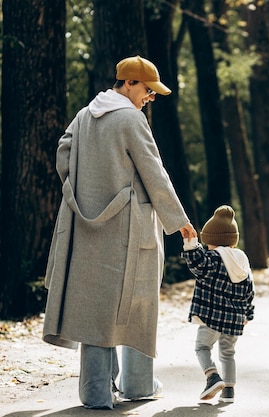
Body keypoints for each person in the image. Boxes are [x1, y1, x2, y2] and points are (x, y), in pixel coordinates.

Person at [42, 55, 197, 410]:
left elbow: (62, 152)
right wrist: (179, 220)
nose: (150, 97)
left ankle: (96, 392)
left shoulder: (84, 115)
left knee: (96, 308)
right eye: (147, 90)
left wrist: (81, 187)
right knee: (136, 306)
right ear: (128, 83)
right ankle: (139, 385)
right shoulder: (130, 118)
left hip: (88, 228)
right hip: (130, 227)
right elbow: (153, 172)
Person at [181, 205, 255, 403]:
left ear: (211, 239)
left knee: (202, 347)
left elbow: (196, 262)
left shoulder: (212, 259)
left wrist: (191, 242)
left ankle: (212, 376)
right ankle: (229, 391)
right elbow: (250, 289)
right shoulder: (242, 260)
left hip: (211, 316)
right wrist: (248, 314)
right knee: (228, 353)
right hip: (235, 318)